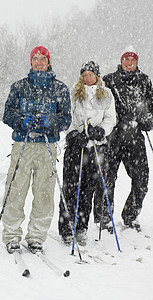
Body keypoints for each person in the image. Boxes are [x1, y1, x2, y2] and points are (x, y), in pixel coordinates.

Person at [2, 45, 71, 253]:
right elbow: (7, 113)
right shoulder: (20, 87)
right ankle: (12, 235)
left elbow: (66, 119)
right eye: (35, 58)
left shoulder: (60, 89)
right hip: (23, 144)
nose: (39, 62)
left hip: (46, 146)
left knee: (44, 193)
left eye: (43, 59)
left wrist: (51, 123)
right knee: (15, 190)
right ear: (31, 61)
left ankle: (37, 236)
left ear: (48, 62)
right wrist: (21, 121)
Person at [58, 61, 116, 246]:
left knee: (88, 189)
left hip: (94, 147)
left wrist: (101, 131)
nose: (88, 77)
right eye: (85, 75)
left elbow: (110, 118)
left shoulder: (106, 94)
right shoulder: (74, 93)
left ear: (97, 76)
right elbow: (67, 118)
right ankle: (67, 227)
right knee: (70, 188)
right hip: (76, 148)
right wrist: (73, 134)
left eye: (91, 74)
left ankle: (82, 227)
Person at [99, 46, 153, 232]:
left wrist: (147, 120)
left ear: (137, 62)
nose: (129, 64)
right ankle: (104, 218)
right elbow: (101, 106)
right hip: (112, 137)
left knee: (142, 179)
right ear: (121, 61)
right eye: (126, 60)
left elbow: (151, 106)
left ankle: (130, 216)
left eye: (133, 61)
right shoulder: (109, 80)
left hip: (135, 137)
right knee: (106, 179)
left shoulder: (144, 81)